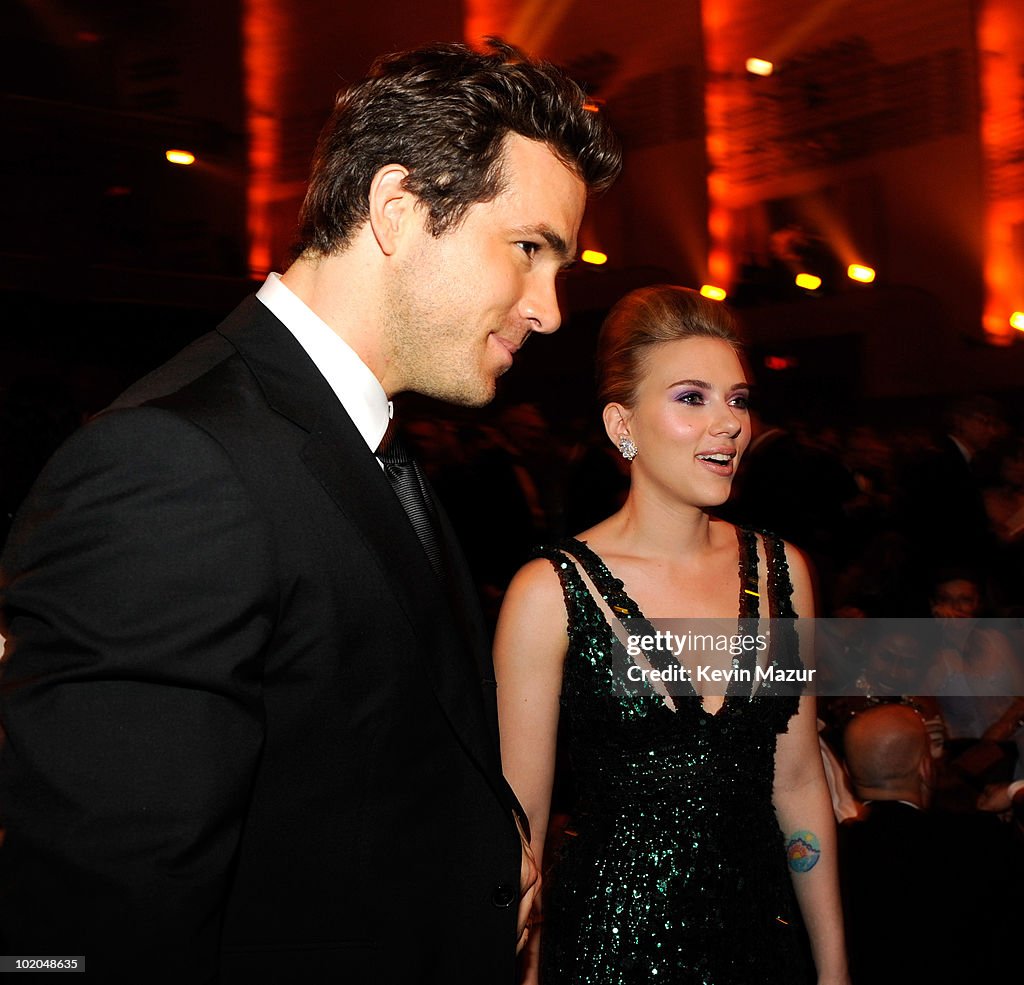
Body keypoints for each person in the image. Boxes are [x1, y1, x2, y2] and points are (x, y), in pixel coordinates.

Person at [0, 40, 621, 983]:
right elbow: (100, 919)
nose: (550, 309)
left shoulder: (360, 439)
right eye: (529, 249)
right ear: (398, 210)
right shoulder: (173, 467)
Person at [494, 285, 848, 985]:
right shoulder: (551, 593)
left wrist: (834, 968)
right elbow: (522, 830)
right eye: (693, 398)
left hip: (760, 951)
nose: (729, 424)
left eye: (738, 399)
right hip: (608, 952)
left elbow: (801, 781)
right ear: (621, 424)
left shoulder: (783, 574)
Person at [839, 703, 1022, 984]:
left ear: (848, 776)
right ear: (925, 768)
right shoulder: (977, 841)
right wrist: (1014, 791)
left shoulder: (835, 849)